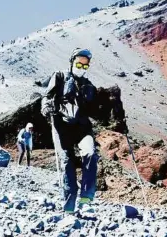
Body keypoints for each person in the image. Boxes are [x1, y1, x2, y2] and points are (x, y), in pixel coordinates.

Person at [41, 48, 100, 214]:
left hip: (82, 127)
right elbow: (47, 96)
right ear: (72, 62)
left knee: (90, 154)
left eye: (85, 65)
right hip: (61, 126)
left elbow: (97, 109)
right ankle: (69, 205)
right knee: (67, 161)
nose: (81, 67)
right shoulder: (59, 77)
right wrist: (46, 107)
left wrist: (117, 114)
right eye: (78, 63)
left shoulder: (89, 86)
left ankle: (86, 199)